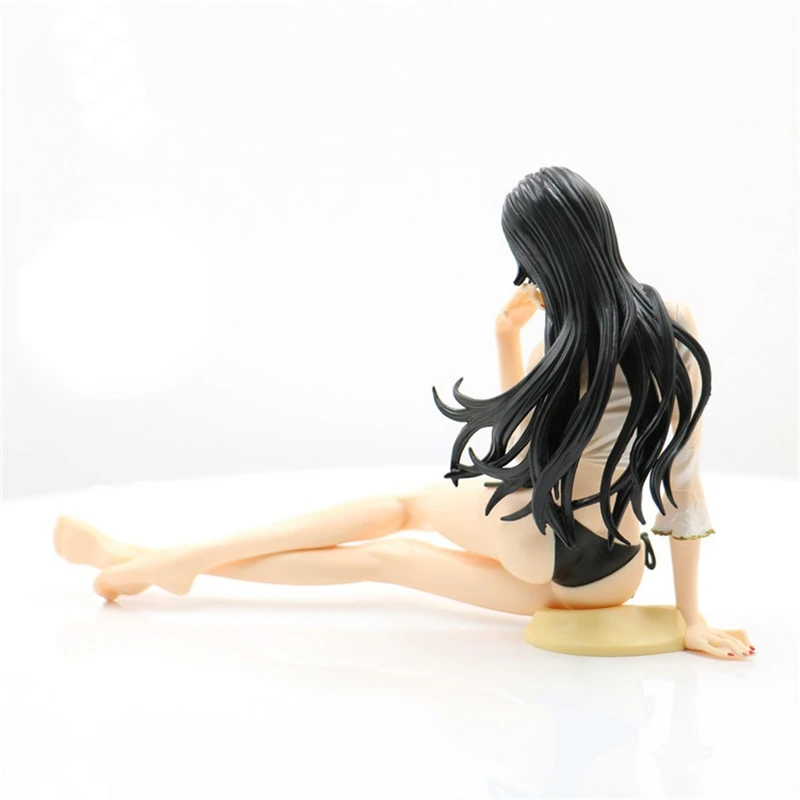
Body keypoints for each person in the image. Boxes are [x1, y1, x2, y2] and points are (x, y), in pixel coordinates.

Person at [53, 167, 753, 660]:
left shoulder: (557, 343)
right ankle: (144, 561)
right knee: (384, 562)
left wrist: (504, 338)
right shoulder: (673, 323)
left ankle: (180, 558)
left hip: (536, 538)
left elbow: (521, 456)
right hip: (609, 579)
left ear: (541, 256)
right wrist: (691, 619)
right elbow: (684, 484)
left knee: (398, 512)